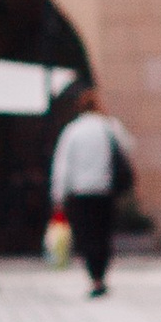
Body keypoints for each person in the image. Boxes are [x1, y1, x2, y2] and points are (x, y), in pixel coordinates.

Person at [48, 88, 133, 295]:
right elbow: (129, 147)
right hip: (104, 189)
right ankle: (101, 275)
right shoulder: (109, 127)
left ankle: (94, 277)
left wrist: (58, 195)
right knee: (103, 234)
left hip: (80, 191)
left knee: (87, 235)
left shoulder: (73, 130)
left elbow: (62, 165)